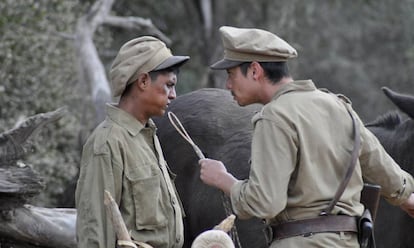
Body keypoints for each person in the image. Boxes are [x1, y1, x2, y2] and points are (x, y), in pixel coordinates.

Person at [198, 26, 414, 247]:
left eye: (231, 74)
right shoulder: (339, 106)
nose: (228, 85)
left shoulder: (273, 116)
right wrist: (406, 198)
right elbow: (381, 166)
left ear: (254, 70)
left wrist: (224, 180)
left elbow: (265, 202)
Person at [75, 36, 189, 248]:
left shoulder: (147, 135)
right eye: (169, 85)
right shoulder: (107, 143)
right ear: (143, 81)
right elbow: (95, 232)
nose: (174, 95)